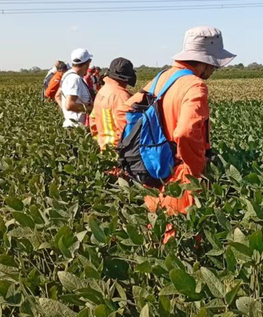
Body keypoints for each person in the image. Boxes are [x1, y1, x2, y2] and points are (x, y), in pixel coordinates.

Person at [124, 26, 235, 240]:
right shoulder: (194, 85)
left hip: (154, 170)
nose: (213, 70)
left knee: (158, 231)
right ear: (203, 61)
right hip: (180, 175)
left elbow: (125, 110)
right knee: (183, 238)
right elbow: (185, 132)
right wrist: (196, 169)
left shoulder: (161, 78)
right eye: (213, 65)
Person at [90, 58, 136, 150]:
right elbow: (126, 129)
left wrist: (100, 141)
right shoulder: (121, 96)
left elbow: (92, 120)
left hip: (103, 148)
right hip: (117, 151)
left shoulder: (103, 91)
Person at [56, 48, 94, 128]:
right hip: (75, 127)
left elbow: (57, 96)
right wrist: (88, 109)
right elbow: (69, 105)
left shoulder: (67, 75)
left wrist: (67, 113)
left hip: (72, 124)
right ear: (87, 64)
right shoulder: (74, 79)